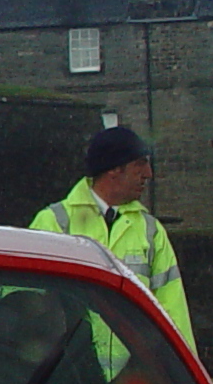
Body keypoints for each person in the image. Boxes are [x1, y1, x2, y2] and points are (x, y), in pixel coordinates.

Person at [32, 126, 193, 351]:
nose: (148, 173)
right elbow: (26, 306)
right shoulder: (53, 223)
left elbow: (174, 314)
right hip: (66, 379)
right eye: (140, 163)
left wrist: (180, 380)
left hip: (134, 383)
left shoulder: (151, 231)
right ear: (114, 169)